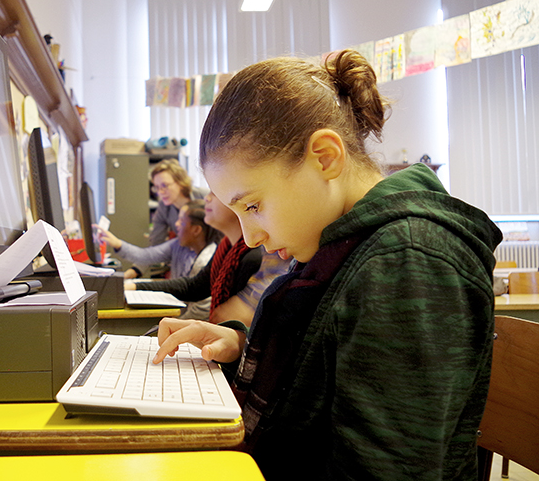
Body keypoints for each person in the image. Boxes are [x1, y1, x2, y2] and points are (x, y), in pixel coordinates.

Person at [153, 50, 502, 480]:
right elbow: (327, 362)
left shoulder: (407, 262)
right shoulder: (342, 242)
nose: (249, 237)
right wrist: (241, 348)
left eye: (255, 205)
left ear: (324, 157)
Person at [131, 191, 286, 326]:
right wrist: (136, 287)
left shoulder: (254, 256)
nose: (207, 198)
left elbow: (238, 324)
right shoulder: (226, 247)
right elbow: (195, 287)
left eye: (215, 193)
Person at [95, 200, 221, 281]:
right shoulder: (177, 244)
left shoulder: (207, 260)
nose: (176, 224)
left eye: (181, 221)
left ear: (196, 230)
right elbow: (146, 256)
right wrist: (117, 243)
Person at [148, 158, 207, 247]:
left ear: (180, 182)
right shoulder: (164, 207)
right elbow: (156, 240)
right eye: (157, 187)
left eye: (165, 186)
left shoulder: (204, 196)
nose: (160, 192)